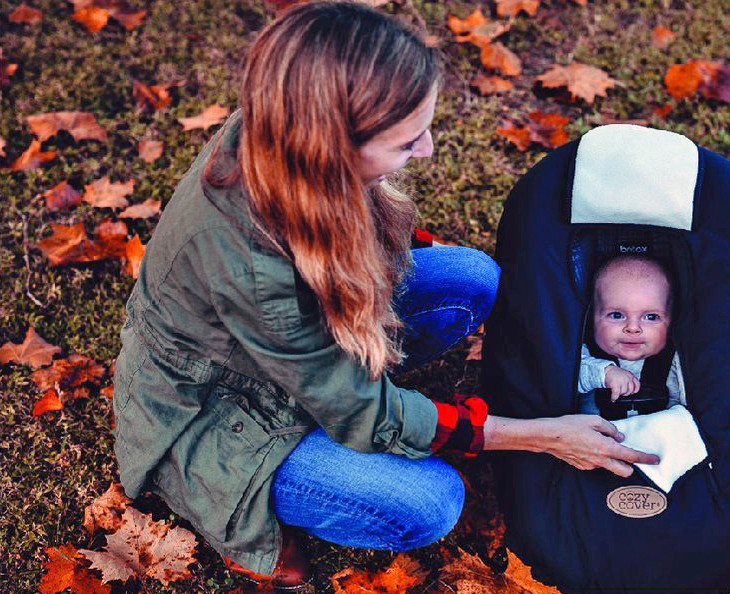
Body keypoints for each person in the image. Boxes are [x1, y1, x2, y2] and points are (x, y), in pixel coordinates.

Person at [111, 2, 659, 591]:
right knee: (429, 504)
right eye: (405, 142)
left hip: (289, 354)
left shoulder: (285, 125)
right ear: (331, 149)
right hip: (219, 410)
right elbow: (358, 412)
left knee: (471, 279)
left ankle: (377, 413)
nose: (424, 151)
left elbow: (350, 257)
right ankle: (232, 509)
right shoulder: (252, 265)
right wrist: (539, 433)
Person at [578, 255, 685, 416]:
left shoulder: (679, 359)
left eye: (651, 317)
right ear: (591, 319)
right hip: (595, 437)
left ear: (671, 322)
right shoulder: (582, 354)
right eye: (616, 315)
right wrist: (605, 373)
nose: (633, 328)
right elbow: (574, 374)